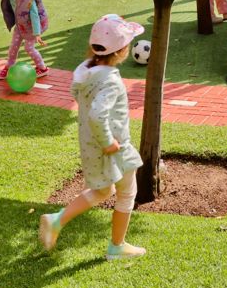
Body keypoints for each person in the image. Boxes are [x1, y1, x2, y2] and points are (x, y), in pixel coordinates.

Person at [39, 14, 148, 260]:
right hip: (113, 148)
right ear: (122, 51)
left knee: (103, 190)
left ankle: (57, 220)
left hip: (90, 144)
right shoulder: (110, 80)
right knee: (126, 194)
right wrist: (108, 141)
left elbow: (77, 96)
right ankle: (117, 247)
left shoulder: (84, 71)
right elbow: (99, 115)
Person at [0, 0, 48, 81]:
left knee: (29, 48)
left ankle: (42, 68)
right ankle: (9, 67)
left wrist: (37, 33)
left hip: (31, 27)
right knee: (13, 48)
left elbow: (35, 15)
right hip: (20, 26)